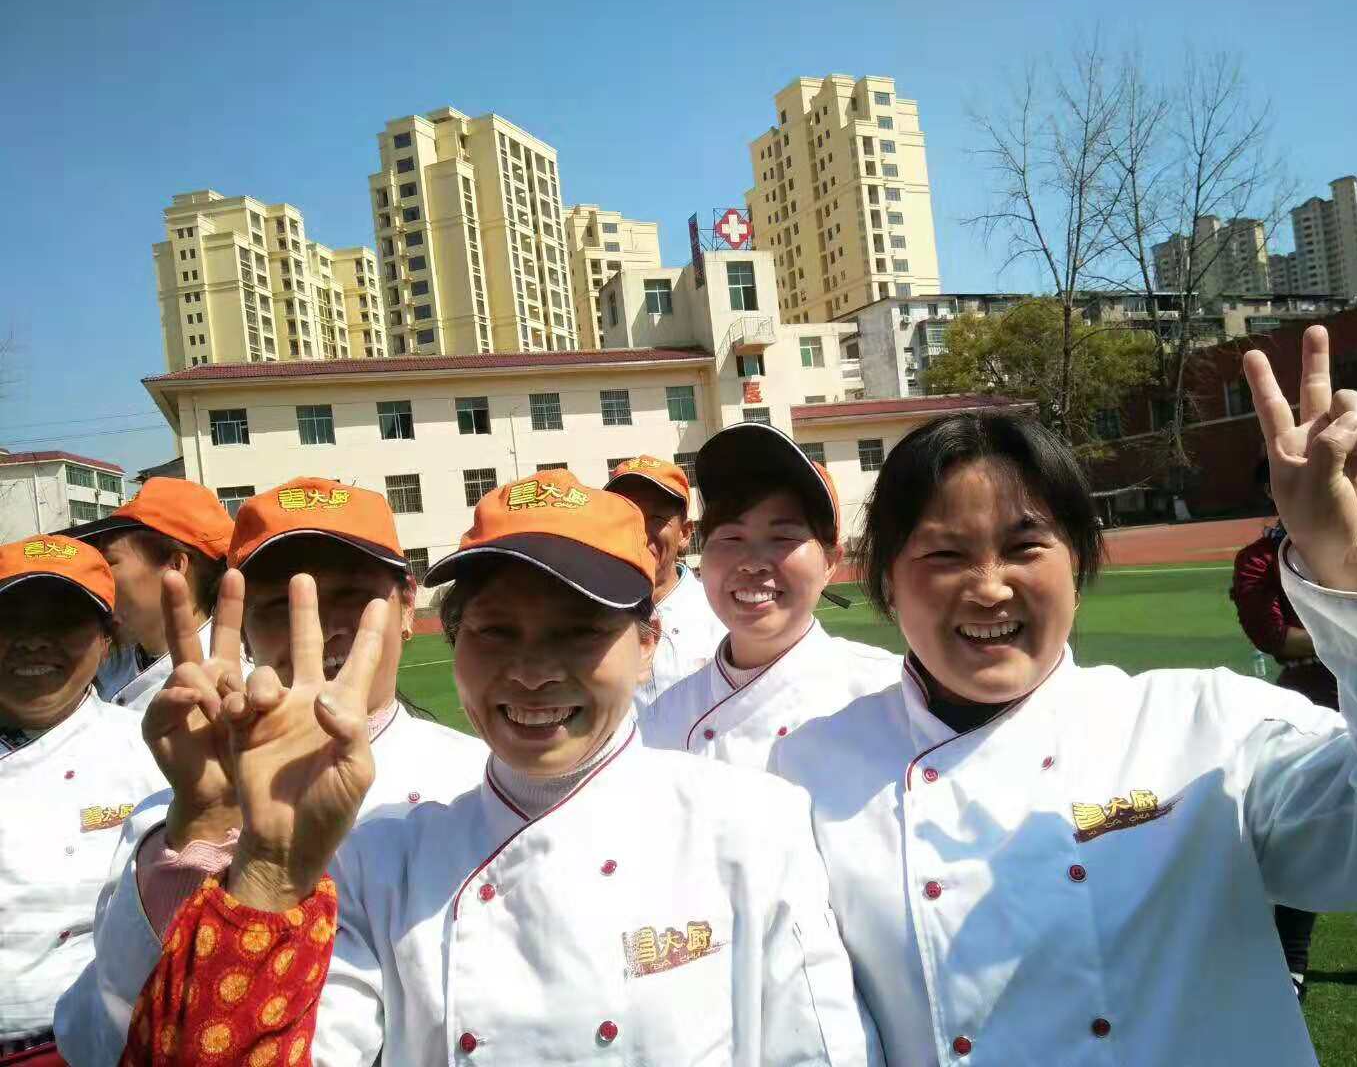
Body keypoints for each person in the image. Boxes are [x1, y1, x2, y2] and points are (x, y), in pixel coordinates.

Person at [774, 329, 1357, 1066]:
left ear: (1078, 562)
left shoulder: (1206, 728)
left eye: (1025, 546)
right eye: (944, 554)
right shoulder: (808, 774)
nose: (990, 587)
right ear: (887, 582)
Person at [111, 468, 880, 1065]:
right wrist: (269, 863)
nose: (533, 672)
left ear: (647, 646)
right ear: (453, 643)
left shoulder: (752, 827)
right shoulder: (379, 862)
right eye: (496, 632)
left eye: (579, 633)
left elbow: (819, 1052)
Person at [53, 476, 489, 1067]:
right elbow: (95, 1042)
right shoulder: (171, 813)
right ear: (244, 627)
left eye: (353, 597)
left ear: (407, 605)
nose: (322, 627)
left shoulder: (479, 784)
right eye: (280, 606)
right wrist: (205, 825)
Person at [1232, 458, 1357, 1004]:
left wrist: (1345, 613)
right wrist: (1356, 623)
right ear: (1271, 492)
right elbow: (1274, 637)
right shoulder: (1258, 560)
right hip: (1310, 701)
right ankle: (1293, 961)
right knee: (1309, 820)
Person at [643, 423, 899, 771]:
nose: (752, 563)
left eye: (783, 538)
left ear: (830, 563)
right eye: (731, 538)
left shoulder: (890, 696)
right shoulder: (662, 721)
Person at [0, 536, 166, 1066]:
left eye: (62, 622)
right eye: (12, 621)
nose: (33, 642)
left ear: (107, 637)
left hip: (89, 1047)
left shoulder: (152, 751)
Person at [64, 477, 233, 711]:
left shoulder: (231, 687)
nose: (97, 579)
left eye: (108, 562)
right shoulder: (101, 664)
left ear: (175, 566)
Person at [603, 455, 726, 710]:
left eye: (656, 519)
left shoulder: (723, 613)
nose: (640, 532)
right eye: (628, 518)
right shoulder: (592, 616)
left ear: (685, 534)